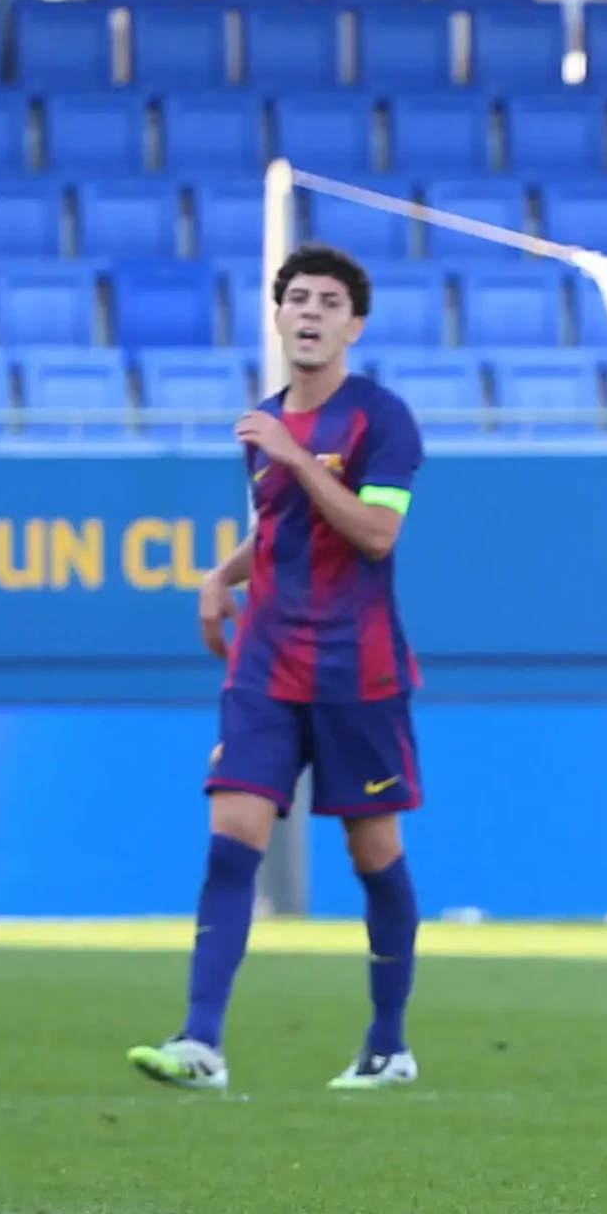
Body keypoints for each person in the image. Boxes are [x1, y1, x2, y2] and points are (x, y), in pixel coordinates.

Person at [129, 245, 428, 1094]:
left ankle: (388, 1043)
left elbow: (376, 533)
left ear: (354, 325)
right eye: (298, 298)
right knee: (232, 841)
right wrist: (219, 576)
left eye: (329, 302)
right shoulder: (265, 422)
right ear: (278, 314)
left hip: (358, 668)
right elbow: (281, 528)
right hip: (264, 662)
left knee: (374, 853)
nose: (311, 312)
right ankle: (201, 1042)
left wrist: (296, 456)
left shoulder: (381, 419)